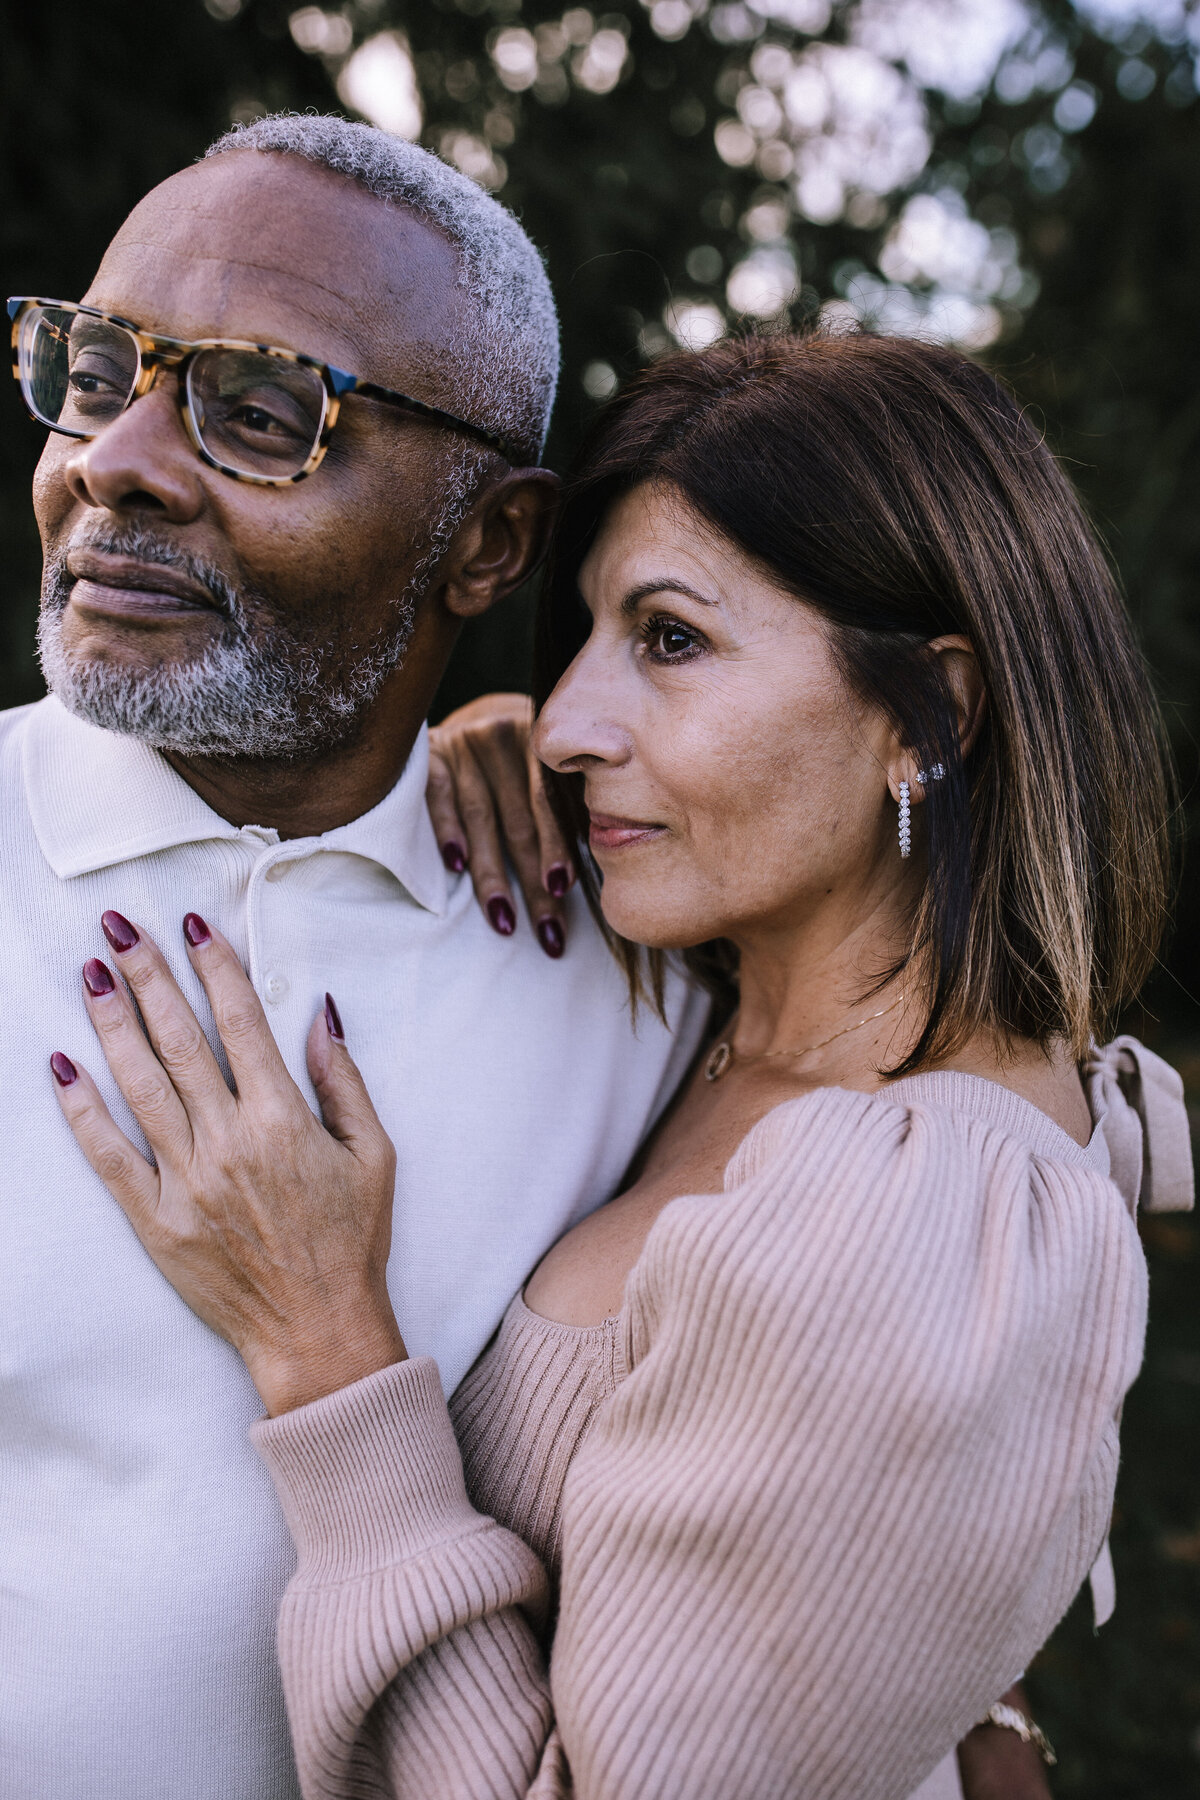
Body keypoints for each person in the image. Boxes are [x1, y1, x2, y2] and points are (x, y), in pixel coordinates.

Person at [53, 331, 1194, 1799]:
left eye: (670, 640)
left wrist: (327, 1350)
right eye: (583, 636)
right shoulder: (726, 1012)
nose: (575, 725)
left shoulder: (914, 1210)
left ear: (933, 714)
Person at [1, 116, 706, 1800]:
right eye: (98, 372)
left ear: (491, 544)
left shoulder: (639, 959)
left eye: (259, 410)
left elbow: (960, 1117)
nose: (118, 461)